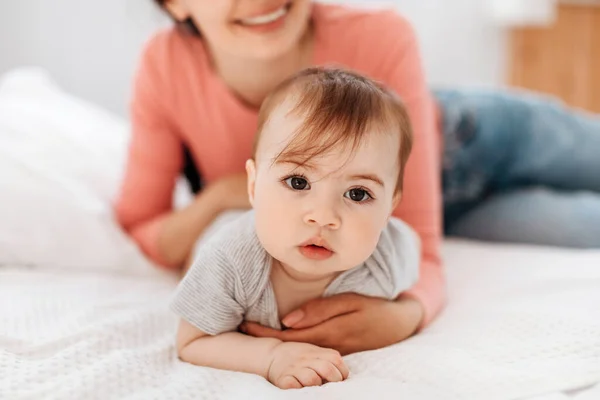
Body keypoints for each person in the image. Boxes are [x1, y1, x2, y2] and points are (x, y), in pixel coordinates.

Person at [116, 1, 600, 354]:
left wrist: (407, 315)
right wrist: (221, 196)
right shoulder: (165, 68)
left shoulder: (380, 35)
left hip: (471, 138)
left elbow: (421, 246)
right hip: (379, 212)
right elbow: (141, 225)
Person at [173, 67, 421, 389]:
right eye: (298, 181)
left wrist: (408, 312)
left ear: (390, 208)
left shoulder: (389, 256)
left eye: (358, 193)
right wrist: (272, 355)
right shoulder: (228, 260)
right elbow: (192, 340)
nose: (323, 216)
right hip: (216, 230)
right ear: (253, 185)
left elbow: (415, 271)